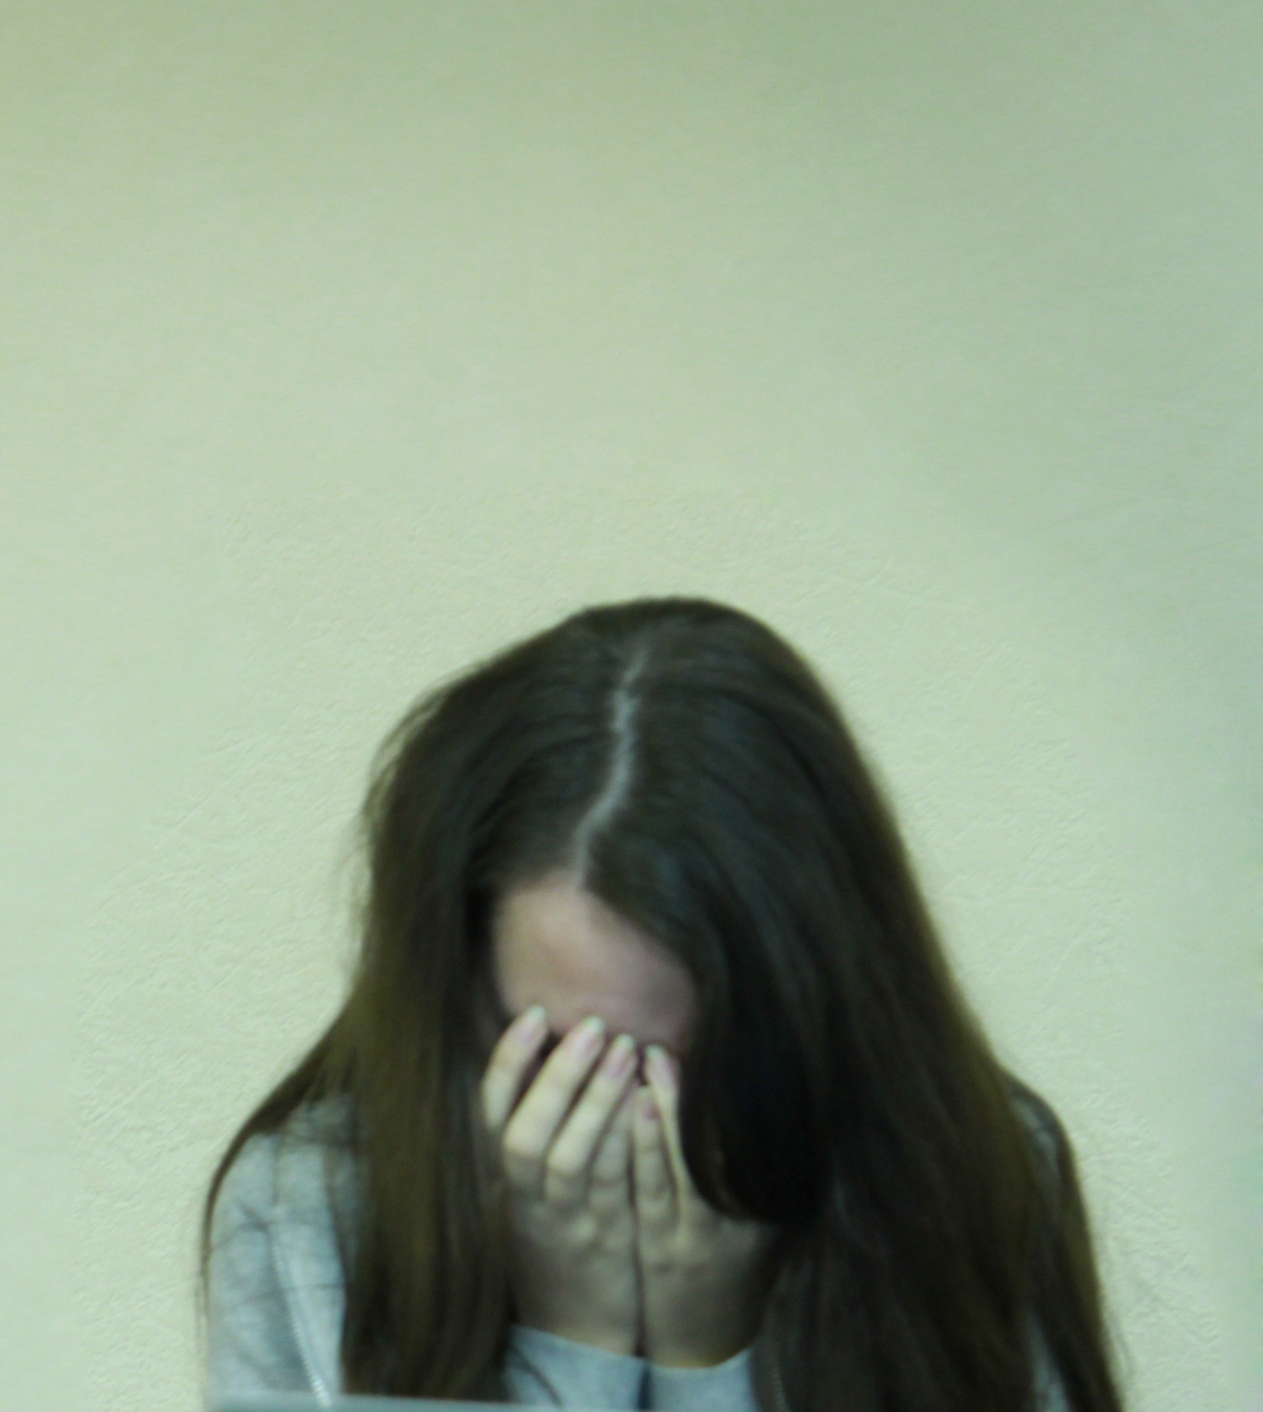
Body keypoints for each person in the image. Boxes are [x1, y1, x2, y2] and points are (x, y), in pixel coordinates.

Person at [201, 598, 1123, 1410]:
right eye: (564, 1054)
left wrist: (706, 1354)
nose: (626, 1121)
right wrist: (574, 1343)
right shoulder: (305, 1209)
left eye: (682, 1059)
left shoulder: (974, 1174)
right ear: (455, 990)